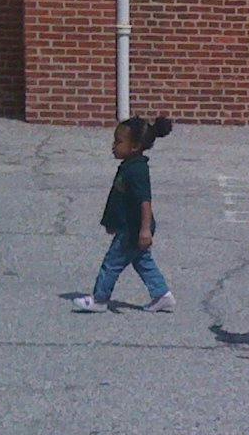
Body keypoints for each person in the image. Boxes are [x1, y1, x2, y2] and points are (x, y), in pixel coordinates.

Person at [72, 115, 176, 313]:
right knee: (142, 261)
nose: (114, 146)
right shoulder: (129, 166)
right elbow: (119, 199)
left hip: (134, 228)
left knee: (112, 263)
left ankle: (99, 299)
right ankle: (162, 295)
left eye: (119, 142)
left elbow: (145, 201)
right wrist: (112, 222)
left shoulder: (137, 171)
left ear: (134, 146)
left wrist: (145, 230)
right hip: (129, 225)